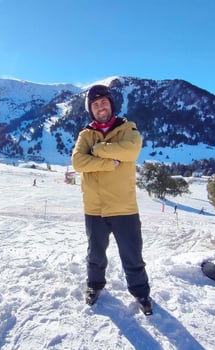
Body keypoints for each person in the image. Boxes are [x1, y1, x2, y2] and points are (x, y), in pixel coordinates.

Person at [71, 84, 152, 315]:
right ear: (90, 109)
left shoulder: (128, 129)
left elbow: (130, 152)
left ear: (111, 104)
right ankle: (94, 285)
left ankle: (141, 292)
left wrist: (97, 150)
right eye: (95, 104)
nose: (100, 107)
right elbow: (78, 163)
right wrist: (109, 162)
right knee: (95, 254)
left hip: (123, 207)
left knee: (132, 254)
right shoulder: (85, 134)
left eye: (103, 102)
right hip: (95, 208)